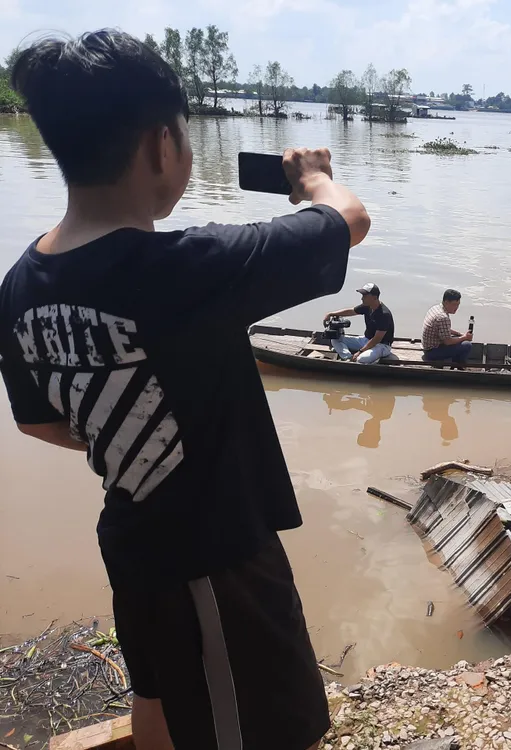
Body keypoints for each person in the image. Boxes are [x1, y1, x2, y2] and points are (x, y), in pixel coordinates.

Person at [0, 31, 370, 750]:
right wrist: (314, 179)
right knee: (273, 730)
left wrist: (125, 416)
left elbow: (40, 422)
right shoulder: (189, 268)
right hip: (217, 561)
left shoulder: (19, 286)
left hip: (134, 541)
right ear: (162, 145)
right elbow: (347, 220)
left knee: (159, 698)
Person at [325, 283, 395, 364]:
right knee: (335, 339)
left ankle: (371, 359)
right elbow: (351, 311)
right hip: (366, 340)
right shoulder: (367, 306)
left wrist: (360, 351)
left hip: (382, 345)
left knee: (361, 359)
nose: (362, 298)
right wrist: (330, 314)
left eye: (365, 296)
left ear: (374, 297)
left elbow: (377, 339)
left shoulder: (384, 314)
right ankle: (348, 358)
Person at [422, 288, 473, 365]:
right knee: (467, 345)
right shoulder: (443, 317)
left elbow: (444, 329)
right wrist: (465, 337)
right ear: (446, 302)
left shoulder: (436, 308)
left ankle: (455, 363)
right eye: (454, 304)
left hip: (428, 346)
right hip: (432, 352)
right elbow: (448, 342)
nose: (456, 308)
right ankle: (459, 366)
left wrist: (460, 334)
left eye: (458, 304)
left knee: (459, 339)